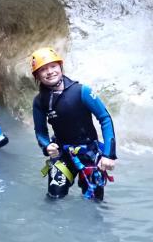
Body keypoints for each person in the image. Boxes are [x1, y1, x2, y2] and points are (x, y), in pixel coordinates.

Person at [30, 47, 117, 200]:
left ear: (60, 67)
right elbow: (40, 131)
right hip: (63, 154)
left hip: (89, 154)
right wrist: (46, 146)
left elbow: (105, 119)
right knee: (54, 196)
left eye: (53, 66)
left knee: (94, 202)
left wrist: (108, 154)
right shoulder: (39, 101)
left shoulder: (82, 91)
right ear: (37, 75)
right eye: (43, 69)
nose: (50, 71)